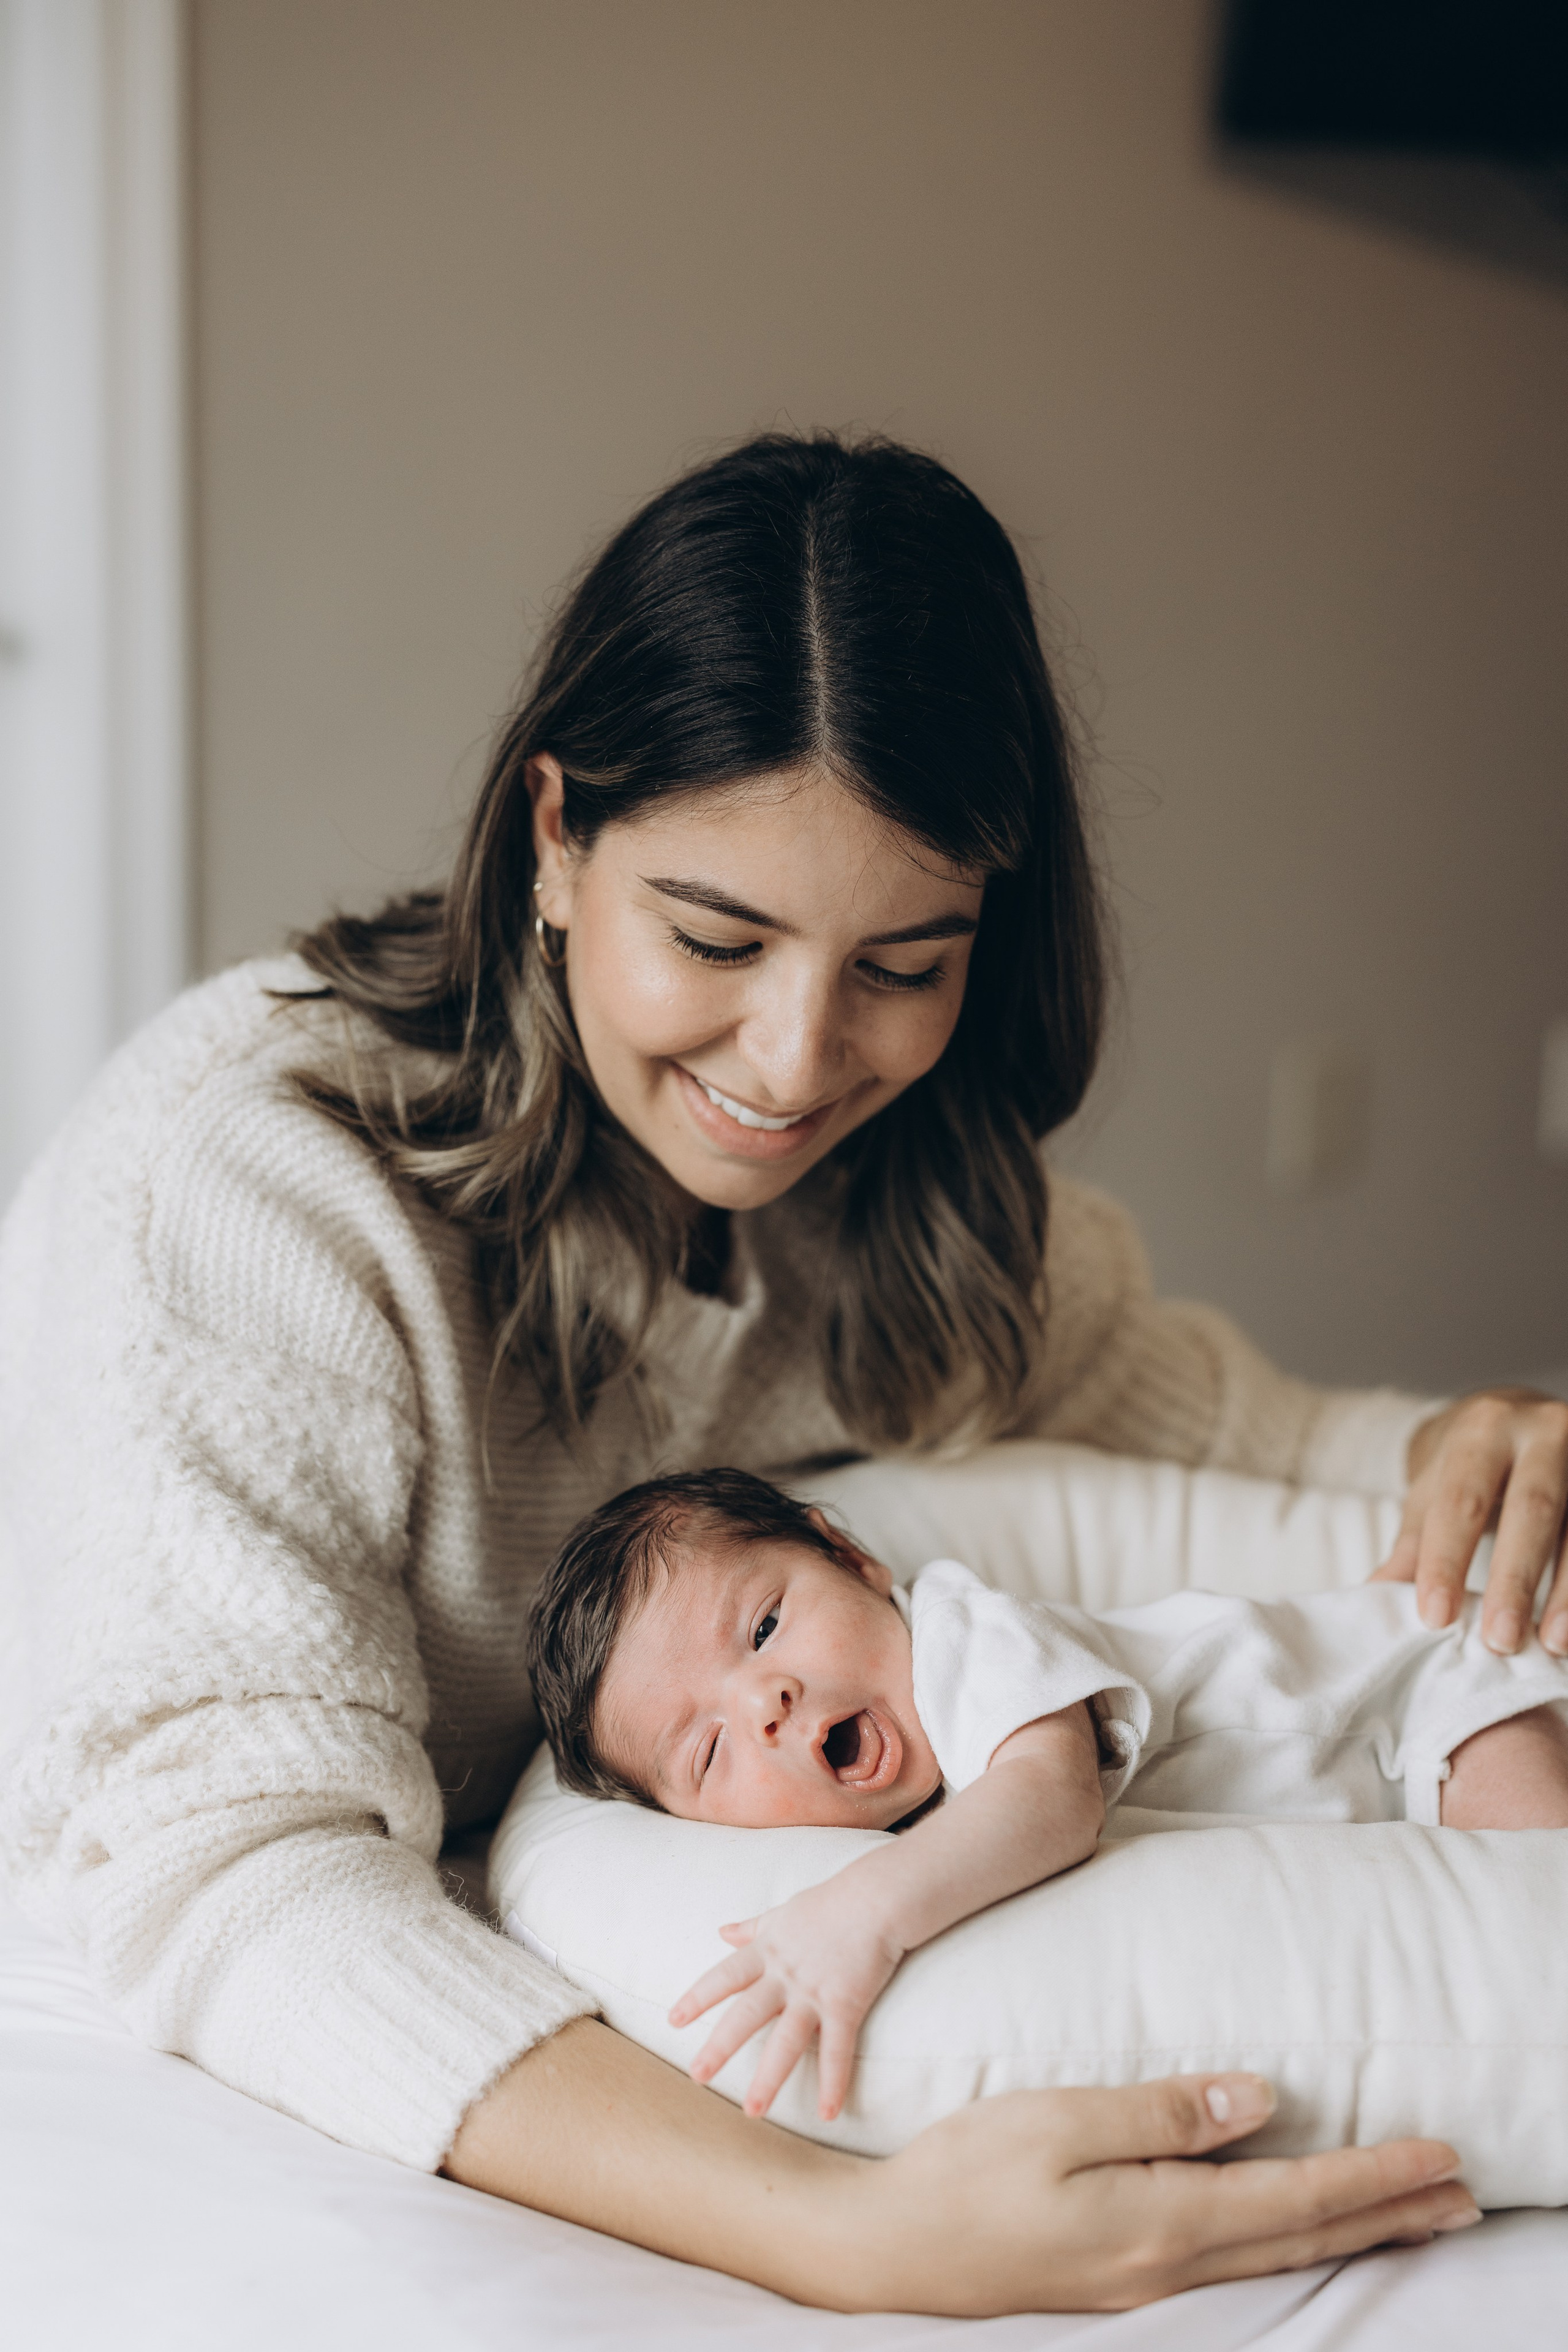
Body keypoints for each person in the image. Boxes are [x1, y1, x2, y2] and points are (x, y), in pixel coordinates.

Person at [2, 429, 1561, 2313]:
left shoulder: (906, 1191)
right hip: (191, 2002)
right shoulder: (257, 1185)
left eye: (906, 962)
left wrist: (1483, 1439)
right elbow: (237, 1883)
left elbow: (1247, 1431)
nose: (804, 1059)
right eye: (716, 939)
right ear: (555, 837)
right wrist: (839, 2236)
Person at [527, 1465, 1568, 2128]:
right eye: (708, 1753)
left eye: (764, 1629)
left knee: (1533, 1903)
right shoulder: (895, 1796)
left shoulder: (965, 1639)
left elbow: (1051, 1801)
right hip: (1399, 1768)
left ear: (851, 1560)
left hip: (1437, 1698)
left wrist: (865, 1915)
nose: (765, 1701)